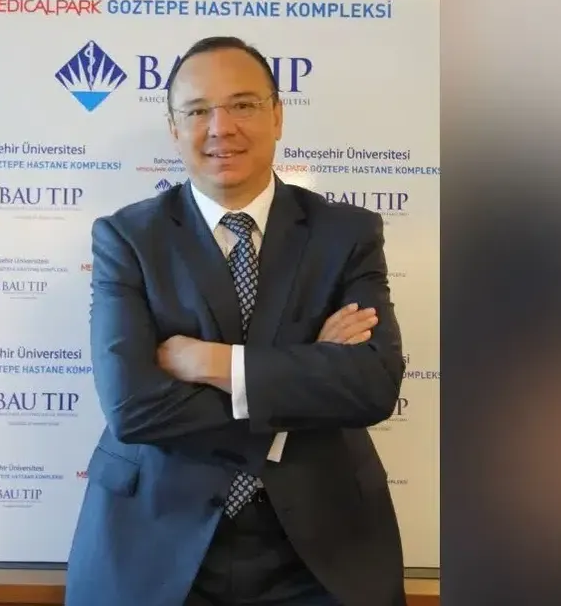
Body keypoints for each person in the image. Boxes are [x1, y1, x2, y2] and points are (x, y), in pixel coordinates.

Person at [65, 36, 407, 606]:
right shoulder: (127, 238)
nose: (220, 128)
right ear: (173, 128)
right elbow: (132, 406)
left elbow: (372, 386)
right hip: (157, 540)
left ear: (277, 115)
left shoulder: (347, 233)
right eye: (198, 111)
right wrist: (307, 374)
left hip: (322, 549)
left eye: (243, 105)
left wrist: (213, 363)